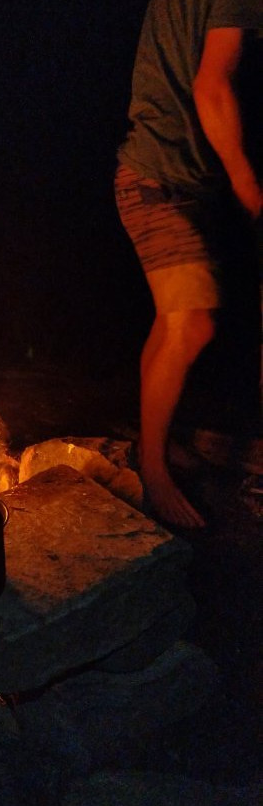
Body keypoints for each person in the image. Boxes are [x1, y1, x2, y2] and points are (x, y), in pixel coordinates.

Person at [115, 0, 263, 529]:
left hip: (162, 177)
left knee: (172, 321)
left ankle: (153, 443)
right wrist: (246, 180)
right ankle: (153, 474)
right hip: (159, 181)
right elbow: (211, 87)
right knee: (193, 323)